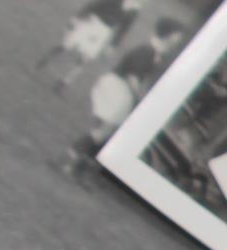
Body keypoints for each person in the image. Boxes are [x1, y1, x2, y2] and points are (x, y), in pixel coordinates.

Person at [72, 19, 186, 178]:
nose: (177, 42)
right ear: (167, 37)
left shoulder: (154, 54)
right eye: (175, 38)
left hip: (120, 89)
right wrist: (140, 102)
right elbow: (133, 79)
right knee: (104, 132)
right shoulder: (148, 51)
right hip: (117, 88)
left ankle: (79, 164)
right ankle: (72, 160)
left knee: (107, 133)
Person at [38, 0, 152, 92]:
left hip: (104, 31)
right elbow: (95, 4)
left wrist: (113, 44)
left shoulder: (134, 11)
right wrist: (78, 17)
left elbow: (124, 29)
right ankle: (47, 58)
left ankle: (64, 81)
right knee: (67, 44)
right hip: (92, 21)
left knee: (85, 58)